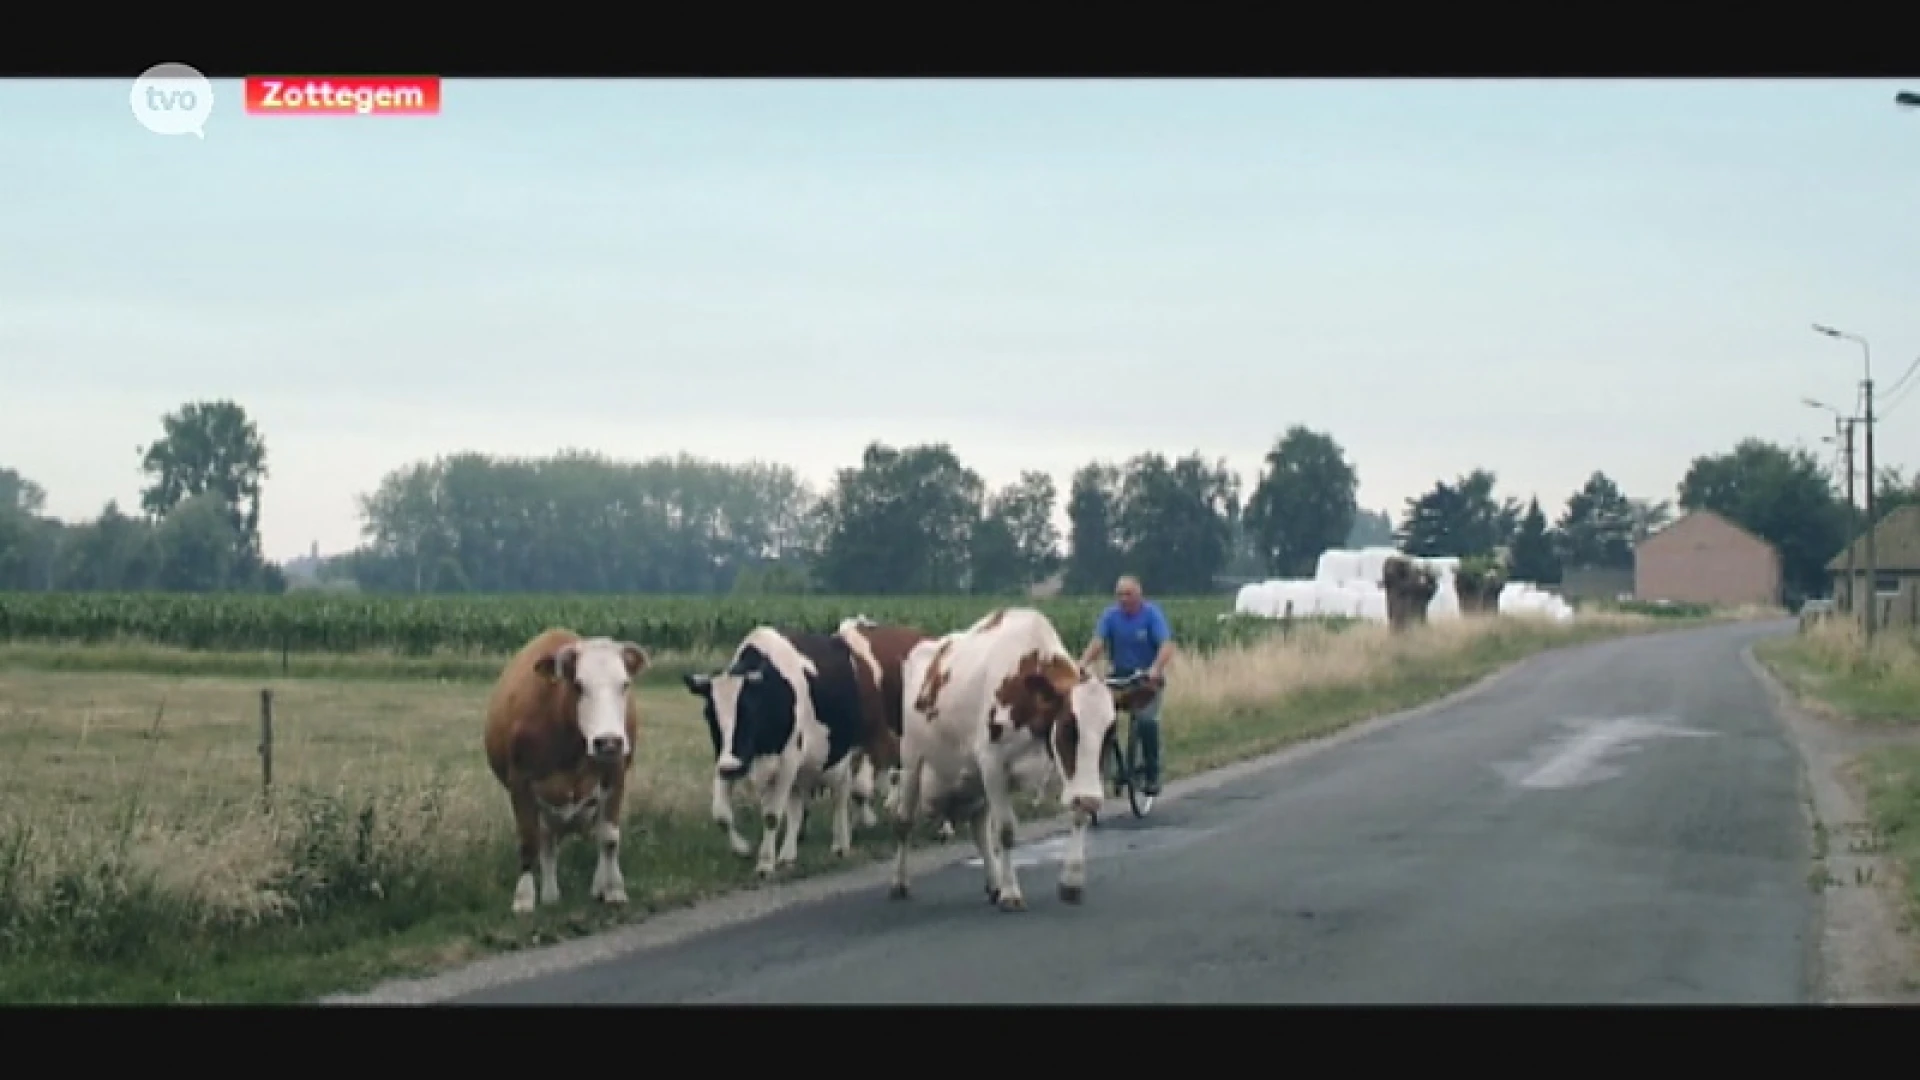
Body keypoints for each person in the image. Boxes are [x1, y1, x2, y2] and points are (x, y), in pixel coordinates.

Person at [1078, 574, 1176, 798]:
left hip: (1146, 678)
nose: (1123, 599)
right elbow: (1098, 642)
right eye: (1119, 594)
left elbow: (1166, 645)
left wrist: (1155, 668)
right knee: (1100, 719)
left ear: (1139, 594)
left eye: (1128, 594)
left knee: (1146, 721)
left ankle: (1152, 772)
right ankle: (1108, 769)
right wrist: (1083, 663)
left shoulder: (1152, 615)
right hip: (1119, 677)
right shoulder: (1110, 616)